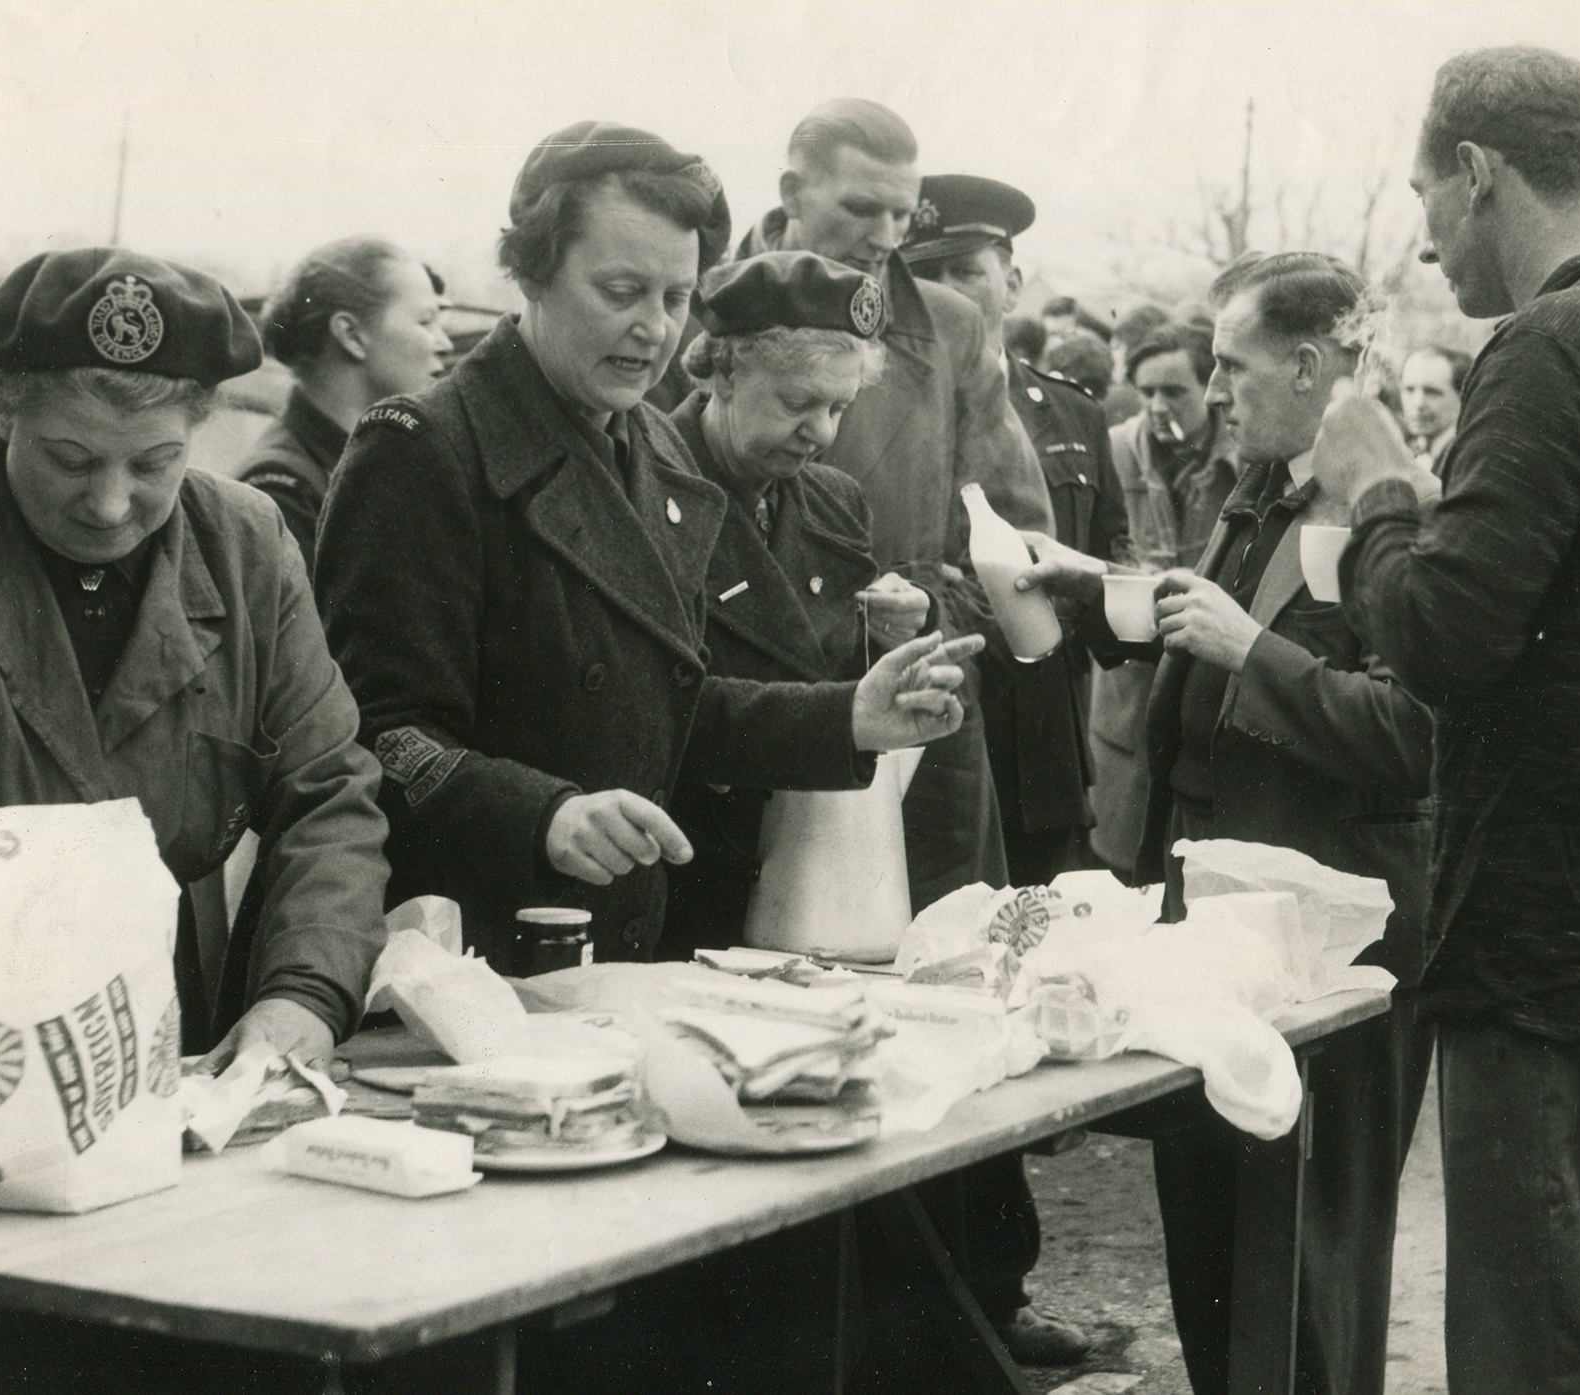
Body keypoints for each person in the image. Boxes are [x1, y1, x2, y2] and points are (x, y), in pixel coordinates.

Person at [314, 121, 977, 980]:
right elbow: (376, 737)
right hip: (464, 958)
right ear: (532, 271)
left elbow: (664, 708)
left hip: (619, 948)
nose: (652, 330)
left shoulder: (654, 450)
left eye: (673, 298)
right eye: (621, 290)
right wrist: (544, 814)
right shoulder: (424, 449)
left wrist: (848, 716)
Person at [1310, 48, 1580, 1395]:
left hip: (1556, 956)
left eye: (1427, 198)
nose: (1426, 243)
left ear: (1479, 173)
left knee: (1551, 1351)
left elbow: (1441, 639)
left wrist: (1375, 493)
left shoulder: (1556, 341)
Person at [1023, 250, 1436, 1395]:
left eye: (1232, 366)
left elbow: (1415, 737)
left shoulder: (1396, 508)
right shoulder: (1253, 485)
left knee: (1310, 1251)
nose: (1213, 391)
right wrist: (1088, 582)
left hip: (1331, 940)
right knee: (1210, 1238)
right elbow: (1211, 623)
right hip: (1211, 926)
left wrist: (1253, 654)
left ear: (1310, 366)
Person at [0, 247, 391, 1073]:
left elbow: (331, 795)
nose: (108, 504)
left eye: (153, 464)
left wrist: (304, 996)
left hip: (162, 1037)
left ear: (197, 431)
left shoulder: (247, 545)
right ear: (3, 415)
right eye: (70, 459)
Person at [736, 97, 1054, 913]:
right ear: (792, 192)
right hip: (743, 699)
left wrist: (931, 612)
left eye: (900, 213)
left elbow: (1015, 526)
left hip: (919, 693)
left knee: (939, 956)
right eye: (859, 208)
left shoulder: (949, 327)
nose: (885, 235)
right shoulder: (703, 304)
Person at [655, 250, 931, 958]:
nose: (824, 433)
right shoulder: (645, 486)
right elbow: (654, 701)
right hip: (684, 887)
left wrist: (886, 634)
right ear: (721, 368)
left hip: (808, 888)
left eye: (839, 407)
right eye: (797, 403)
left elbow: (835, 674)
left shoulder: (834, 501)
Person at [902, 171, 1125, 887]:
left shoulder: (1073, 414)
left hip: (1039, 744)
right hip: (931, 737)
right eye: (924, 274)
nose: (948, 292)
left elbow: (1107, 559)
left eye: (966, 271)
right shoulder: (884, 411)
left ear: (1012, 283)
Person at [1090, 321, 1240, 881]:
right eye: (1146, 390)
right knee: (1122, 863)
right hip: (1128, 690)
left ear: (1209, 388)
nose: (1156, 405)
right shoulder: (1114, 450)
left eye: (1174, 391)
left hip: (1210, 681)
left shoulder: (1247, 460)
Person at [238, 239, 452, 572]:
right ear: (351, 335)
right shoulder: (283, 491)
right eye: (425, 322)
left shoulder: (380, 459)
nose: (445, 344)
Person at [1396, 343, 1469, 480]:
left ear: (1462, 397)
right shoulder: (1421, 453)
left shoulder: (1463, 461)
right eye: (1409, 390)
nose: (1418, 403)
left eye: (1432, 392)